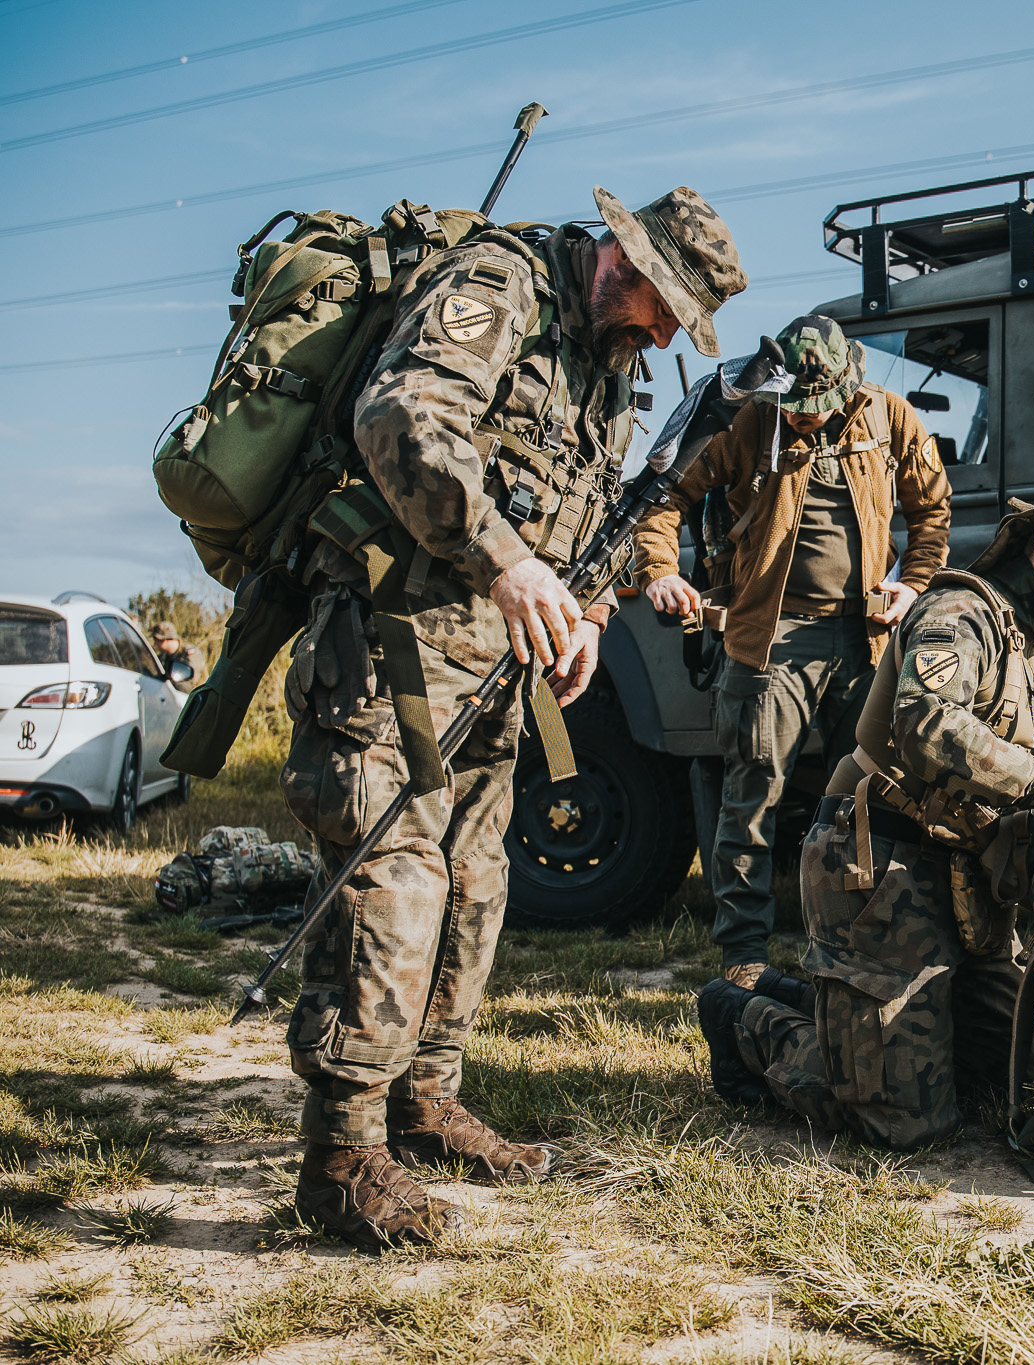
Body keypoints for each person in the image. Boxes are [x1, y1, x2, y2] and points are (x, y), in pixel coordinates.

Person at [283, 184, 747, 1251]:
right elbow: (402, 417)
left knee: (477, 887)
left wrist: (582, 612)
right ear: (622, 261)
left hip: (495, 667)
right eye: (666, 305)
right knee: (391, 889)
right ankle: (341, 1156)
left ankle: (427, 1103)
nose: (667, 334)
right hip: (396, 643)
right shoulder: (498, 285)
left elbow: (588, 509)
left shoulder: (610, 366)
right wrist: (507, 562)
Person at [694, 488, 1034, 1149]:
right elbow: (927, 723)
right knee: (906, 1120)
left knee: (1007, 1094)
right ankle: (744, 1014)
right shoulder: (959, 610)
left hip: (967, 876)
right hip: (881, 860)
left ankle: (841, 1011)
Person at [630, 313, 951, 991]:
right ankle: (743, 953)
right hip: (767, 636)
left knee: (862, 799)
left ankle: (849, 944)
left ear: (845, 389)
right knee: (752, 794)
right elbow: (665, 495)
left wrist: (912, 584)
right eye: (793, 408)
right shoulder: (750, 420)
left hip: (863, 640)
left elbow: (933, 512)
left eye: (815, 409)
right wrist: (660, 569)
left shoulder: (889, 419)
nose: (803, 420)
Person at [150, 622, 204, 692]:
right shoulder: (163, 656)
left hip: (194, 692)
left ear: (164, 640)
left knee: (181, 686)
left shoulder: (190, 653)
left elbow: (193, 678)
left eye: (156, 640)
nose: (155, 644)